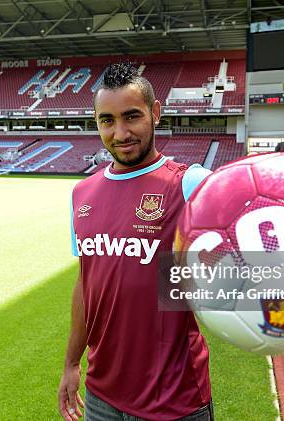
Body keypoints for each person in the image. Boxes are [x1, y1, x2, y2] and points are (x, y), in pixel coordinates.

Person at [58, 62, 215, 421]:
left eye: (132, 116)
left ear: (155, 113)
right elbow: (86, 281)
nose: (121, 132)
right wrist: (71, 363)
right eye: (107, 121)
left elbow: (251, 209)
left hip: (174, 398)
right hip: (102, 396)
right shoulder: (82, 193)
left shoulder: (188, 183)